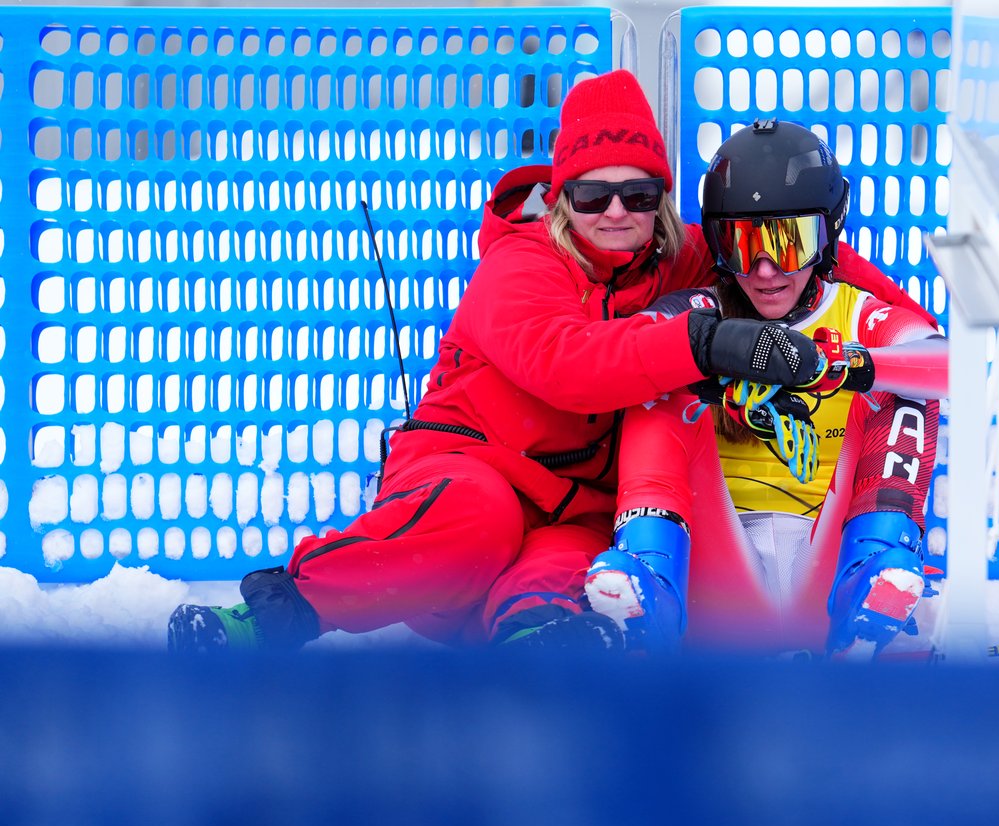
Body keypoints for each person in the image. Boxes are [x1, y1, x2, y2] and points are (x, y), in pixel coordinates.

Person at [166, 72, 923, 652]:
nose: (617, 212)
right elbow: (567, 363)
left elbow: (785, 260)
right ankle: (271, 615)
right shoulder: (523, 265)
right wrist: (703, 343)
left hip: (576, 508)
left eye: (637, 192)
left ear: (660, 200)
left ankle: (540, 660)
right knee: (480, 519)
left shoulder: (677, 259)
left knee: (570, 573)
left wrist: (908, 331)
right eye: (594, 197)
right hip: (466, 480)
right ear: (563, 202)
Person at [581, 120, 949, 658]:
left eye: (788, 242)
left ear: (826, 234)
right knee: (656, 379)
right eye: (742, 244)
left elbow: (943, 363)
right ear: (717, 245)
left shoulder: (855, 313)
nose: (765, 269)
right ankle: (647, 573)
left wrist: (841, 366)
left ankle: (878, 565)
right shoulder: (706, 311)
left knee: (904, 391)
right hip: (712, 575)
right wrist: (714, 365)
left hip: (831, 564)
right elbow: (638, 341)